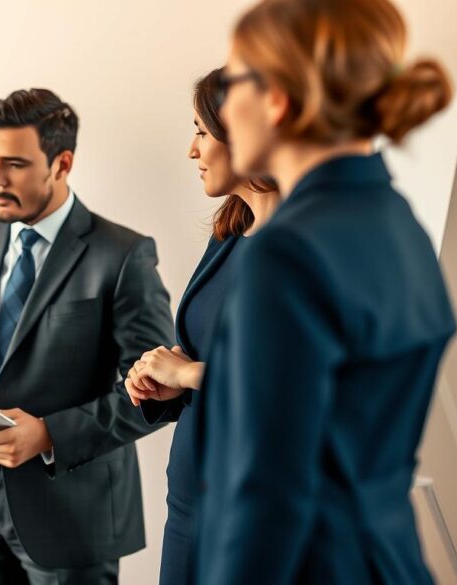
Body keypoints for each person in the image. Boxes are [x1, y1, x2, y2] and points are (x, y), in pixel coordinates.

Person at [194, 0, 455, 582]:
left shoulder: (286, 254)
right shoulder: (401, 224)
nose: (224, 108)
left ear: (276, 101)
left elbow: (267, 495)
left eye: (233, 82)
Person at [0, 88, 174, 584]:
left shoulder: (122, 255)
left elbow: (155, 396)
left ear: (62, 163)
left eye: (14, 163)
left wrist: (48, 435)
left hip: (73, 520)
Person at [124, 67, 280, 585]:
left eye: (200, 130)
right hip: (191, 509)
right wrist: (160, 385)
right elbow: (201, 354)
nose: (192, 150)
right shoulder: (230, 233)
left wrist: (189, 375)